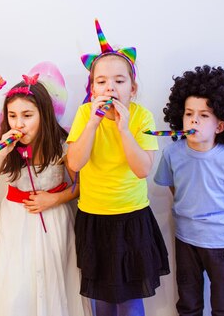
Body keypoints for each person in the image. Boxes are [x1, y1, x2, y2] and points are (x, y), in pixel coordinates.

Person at [66, 20, 169, 316]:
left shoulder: (141, 117)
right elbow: (74, 163)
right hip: (94, 218)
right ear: (92, 87)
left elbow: (142, 170)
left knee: (129, 299)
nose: (110, 86)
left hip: (131, 218)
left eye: (119, 81)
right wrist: (94, 122)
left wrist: (124, 130)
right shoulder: (85, 114)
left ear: (132, 88)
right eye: (102, 81)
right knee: (102, 300)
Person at [0, 76, 91, 316]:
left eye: (27, 115)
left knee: (53, 278)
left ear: (43, 114)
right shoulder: (7, 147)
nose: (19, 123)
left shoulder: (61, 144)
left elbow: (82, 186)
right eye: (12, 115)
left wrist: (54, 199)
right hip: (16, 223)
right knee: (17, 282)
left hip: (54, 221)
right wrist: (1, 153)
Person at [154, 65, 224, 316]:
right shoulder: (172, 154)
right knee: (188, 302)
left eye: (204, 115)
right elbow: (174, 188)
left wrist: (221, 221)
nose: (194, 120)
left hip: (221, 243)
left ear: (220, 126)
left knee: (223, 304)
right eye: (188, 114)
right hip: (185, 239)